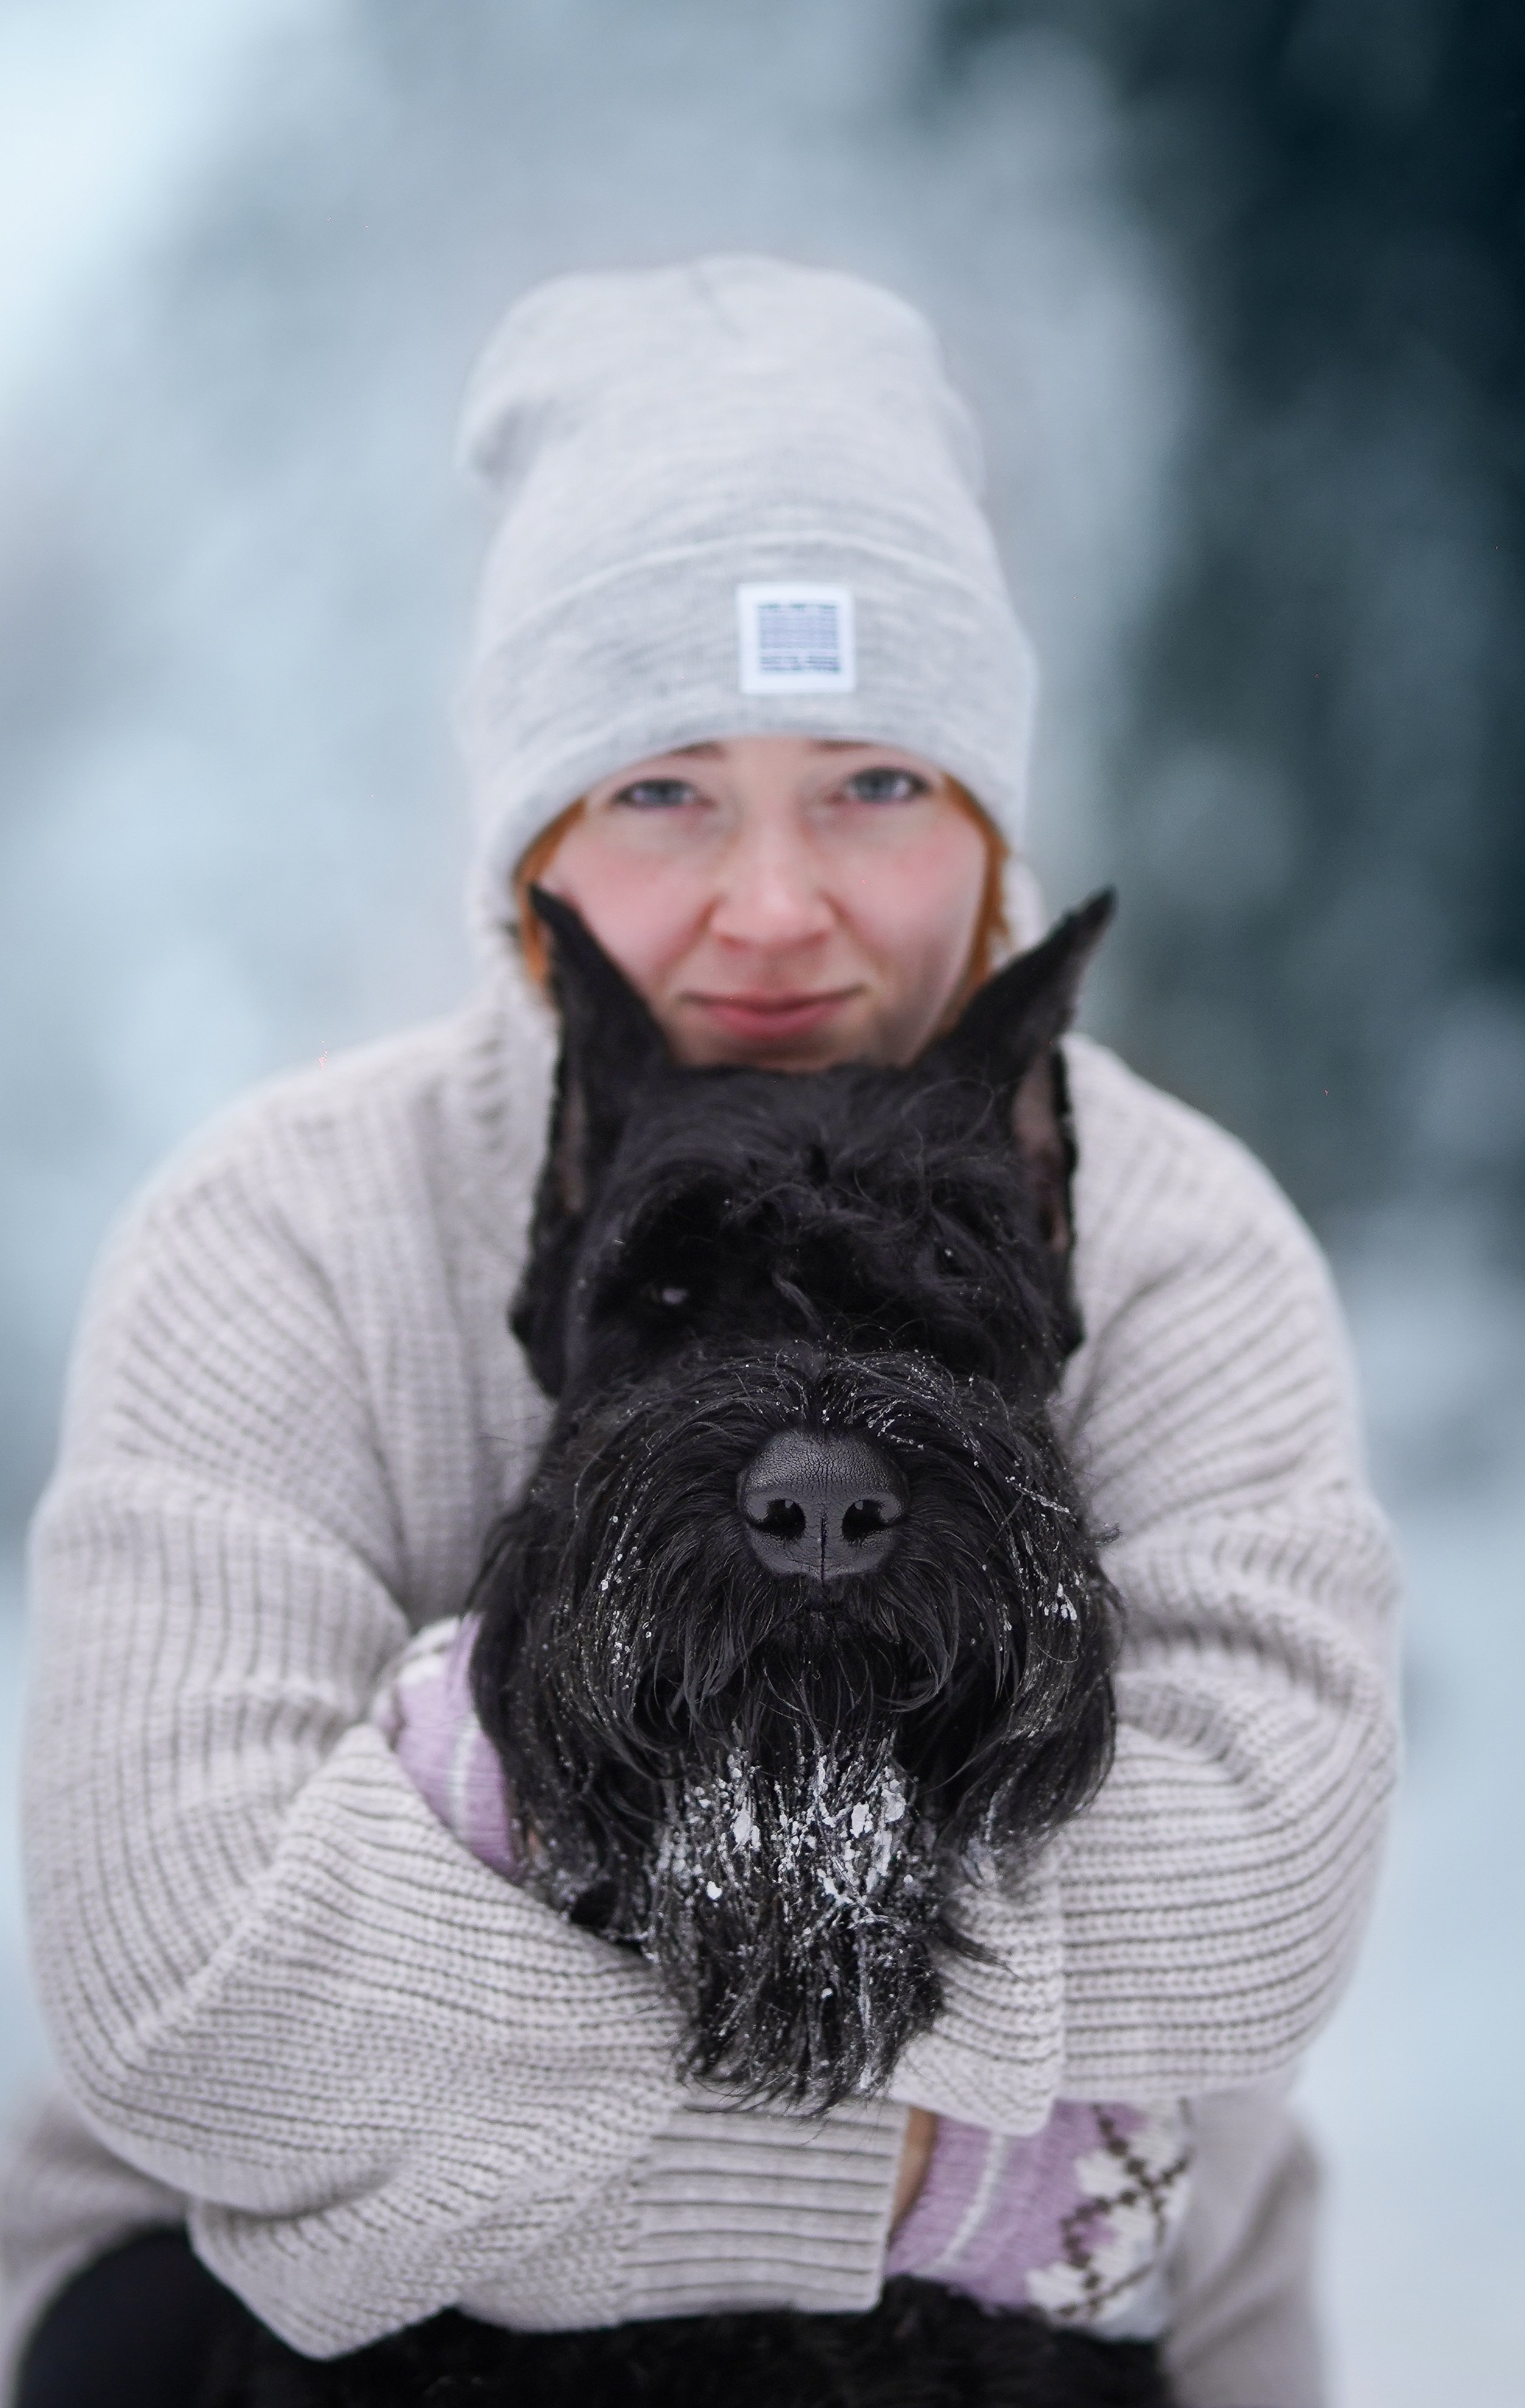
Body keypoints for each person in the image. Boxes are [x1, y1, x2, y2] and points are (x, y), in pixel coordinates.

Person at [1, 258, 1399, 2408]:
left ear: (995, 831)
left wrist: (459, 1943)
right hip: (259, 2292)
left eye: (876, 785)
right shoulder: (271, 1236)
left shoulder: (1184, 1232)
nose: (772, 903)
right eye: (664, 787)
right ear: (531, 847)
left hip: (1055, 2319)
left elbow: (1263, 1885)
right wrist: (928, 2179)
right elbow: (198, 2005)